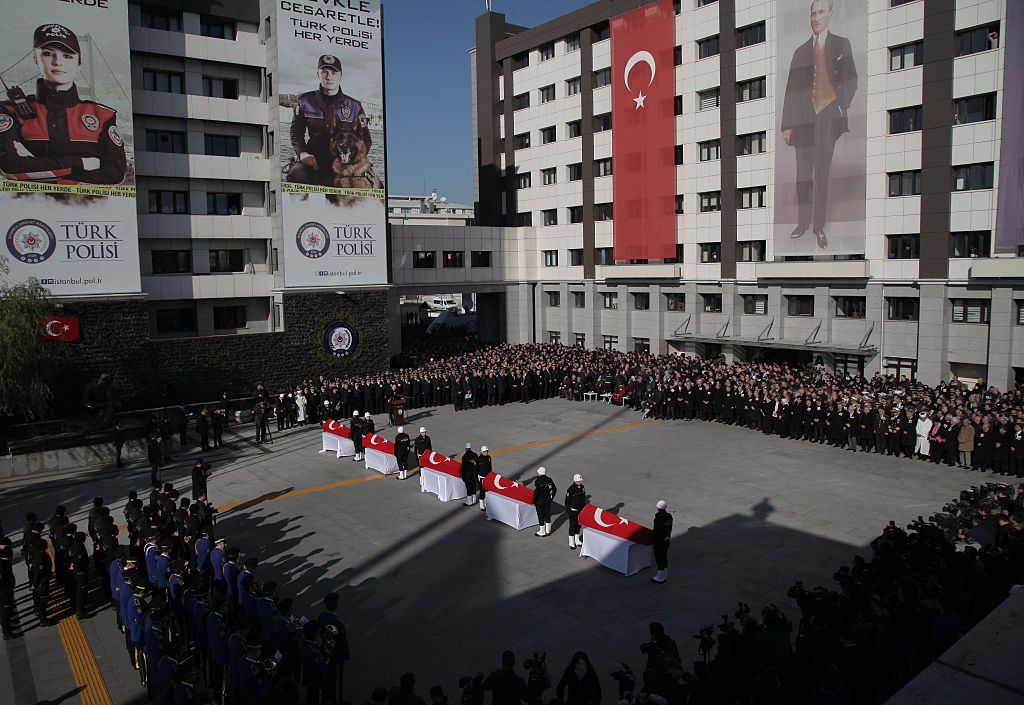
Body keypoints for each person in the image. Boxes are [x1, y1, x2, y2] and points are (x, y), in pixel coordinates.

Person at [0, 24, 128, 186]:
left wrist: (40, 170)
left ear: (79, 64)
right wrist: (82, 163)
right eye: (47, 54)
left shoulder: (102, 116)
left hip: (91, 210)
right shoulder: (11, 112)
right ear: (35, 59)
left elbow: (114, 173)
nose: (57, 62)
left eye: (67, 56)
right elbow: (11, 168)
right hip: (27, 208)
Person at [780, 0, 858, 250]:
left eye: (821, 12)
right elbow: (791, 90)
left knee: (822, 174)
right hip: (803, 122)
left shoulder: (841, 44)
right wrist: (787, 125)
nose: (816, 17)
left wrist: (839, 105)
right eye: (812, 13)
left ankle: (818, 227)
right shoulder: (800, 52)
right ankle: (802, 223)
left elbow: (851, 78)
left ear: (830, 14)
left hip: (827, 116)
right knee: (803, 175)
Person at [288, 54, 369, 186]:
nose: (328, 77)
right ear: (317, 74)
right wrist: (303, 154)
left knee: (361, 183)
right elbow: (296, 133)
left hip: (344, 162)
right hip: (314, 160)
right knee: (296, 175)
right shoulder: (305, 101)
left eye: (333, 72)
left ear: (341, 76)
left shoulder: (354, 106)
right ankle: (301, 206)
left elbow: (365, 138)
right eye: (324, 72)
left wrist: (355, 160)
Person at [650, 500, 673, 584]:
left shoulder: (658, 518)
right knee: (664, 557)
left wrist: (652, 539)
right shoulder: (669, 516)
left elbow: (657, 531)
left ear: (658, 508)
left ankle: (660, 577)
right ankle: (665, 575)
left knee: (659, 558)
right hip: (666, 540)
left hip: (659, 541)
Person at [532, 467, 556, 538]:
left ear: (539, 473)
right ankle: (548, 530)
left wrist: (534, 501)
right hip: (548, 499)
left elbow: (537, 492)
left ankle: (542, 531)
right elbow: (555, 489)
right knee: (547, 514)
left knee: (541, 515)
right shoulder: (549, 479)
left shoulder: (538, 481)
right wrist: (551, 497)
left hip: (540, 501)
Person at [565, 474, 587, 550]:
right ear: (575, 480)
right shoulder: (571, 489)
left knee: (578, 526)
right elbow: (567, 502)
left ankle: (577, 540)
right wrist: (569, 512)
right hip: (573, 511)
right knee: (572, 526)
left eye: (580, 480)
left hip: (580, 511)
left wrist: (585, 509)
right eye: (579, 481)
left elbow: (583, 499)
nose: (580, 482)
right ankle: (571, 542)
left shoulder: (582, 487)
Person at [461, 443, 479, 508]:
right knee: (473, 486)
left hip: (467, 475)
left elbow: (463, 468)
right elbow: (477, 465)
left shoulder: (464, 457)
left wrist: (463, 476)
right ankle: (474, 500)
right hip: (474, 474)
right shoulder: (475, 455)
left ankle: (469, 502)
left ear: (465, 448)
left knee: (468, 487)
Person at [476, 446, 493, 511]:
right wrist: (477, 481)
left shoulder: (489, 457)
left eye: (487, 451)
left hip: (488, 477)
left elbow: (490, 467)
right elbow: (475, 470)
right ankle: (482, 505)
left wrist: (491, 476)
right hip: (481, 478)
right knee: (482, 491)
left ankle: (486, 503)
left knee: (487, 490)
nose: (486, 452)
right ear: (482, 452)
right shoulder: (478, 460)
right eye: (484, 451)